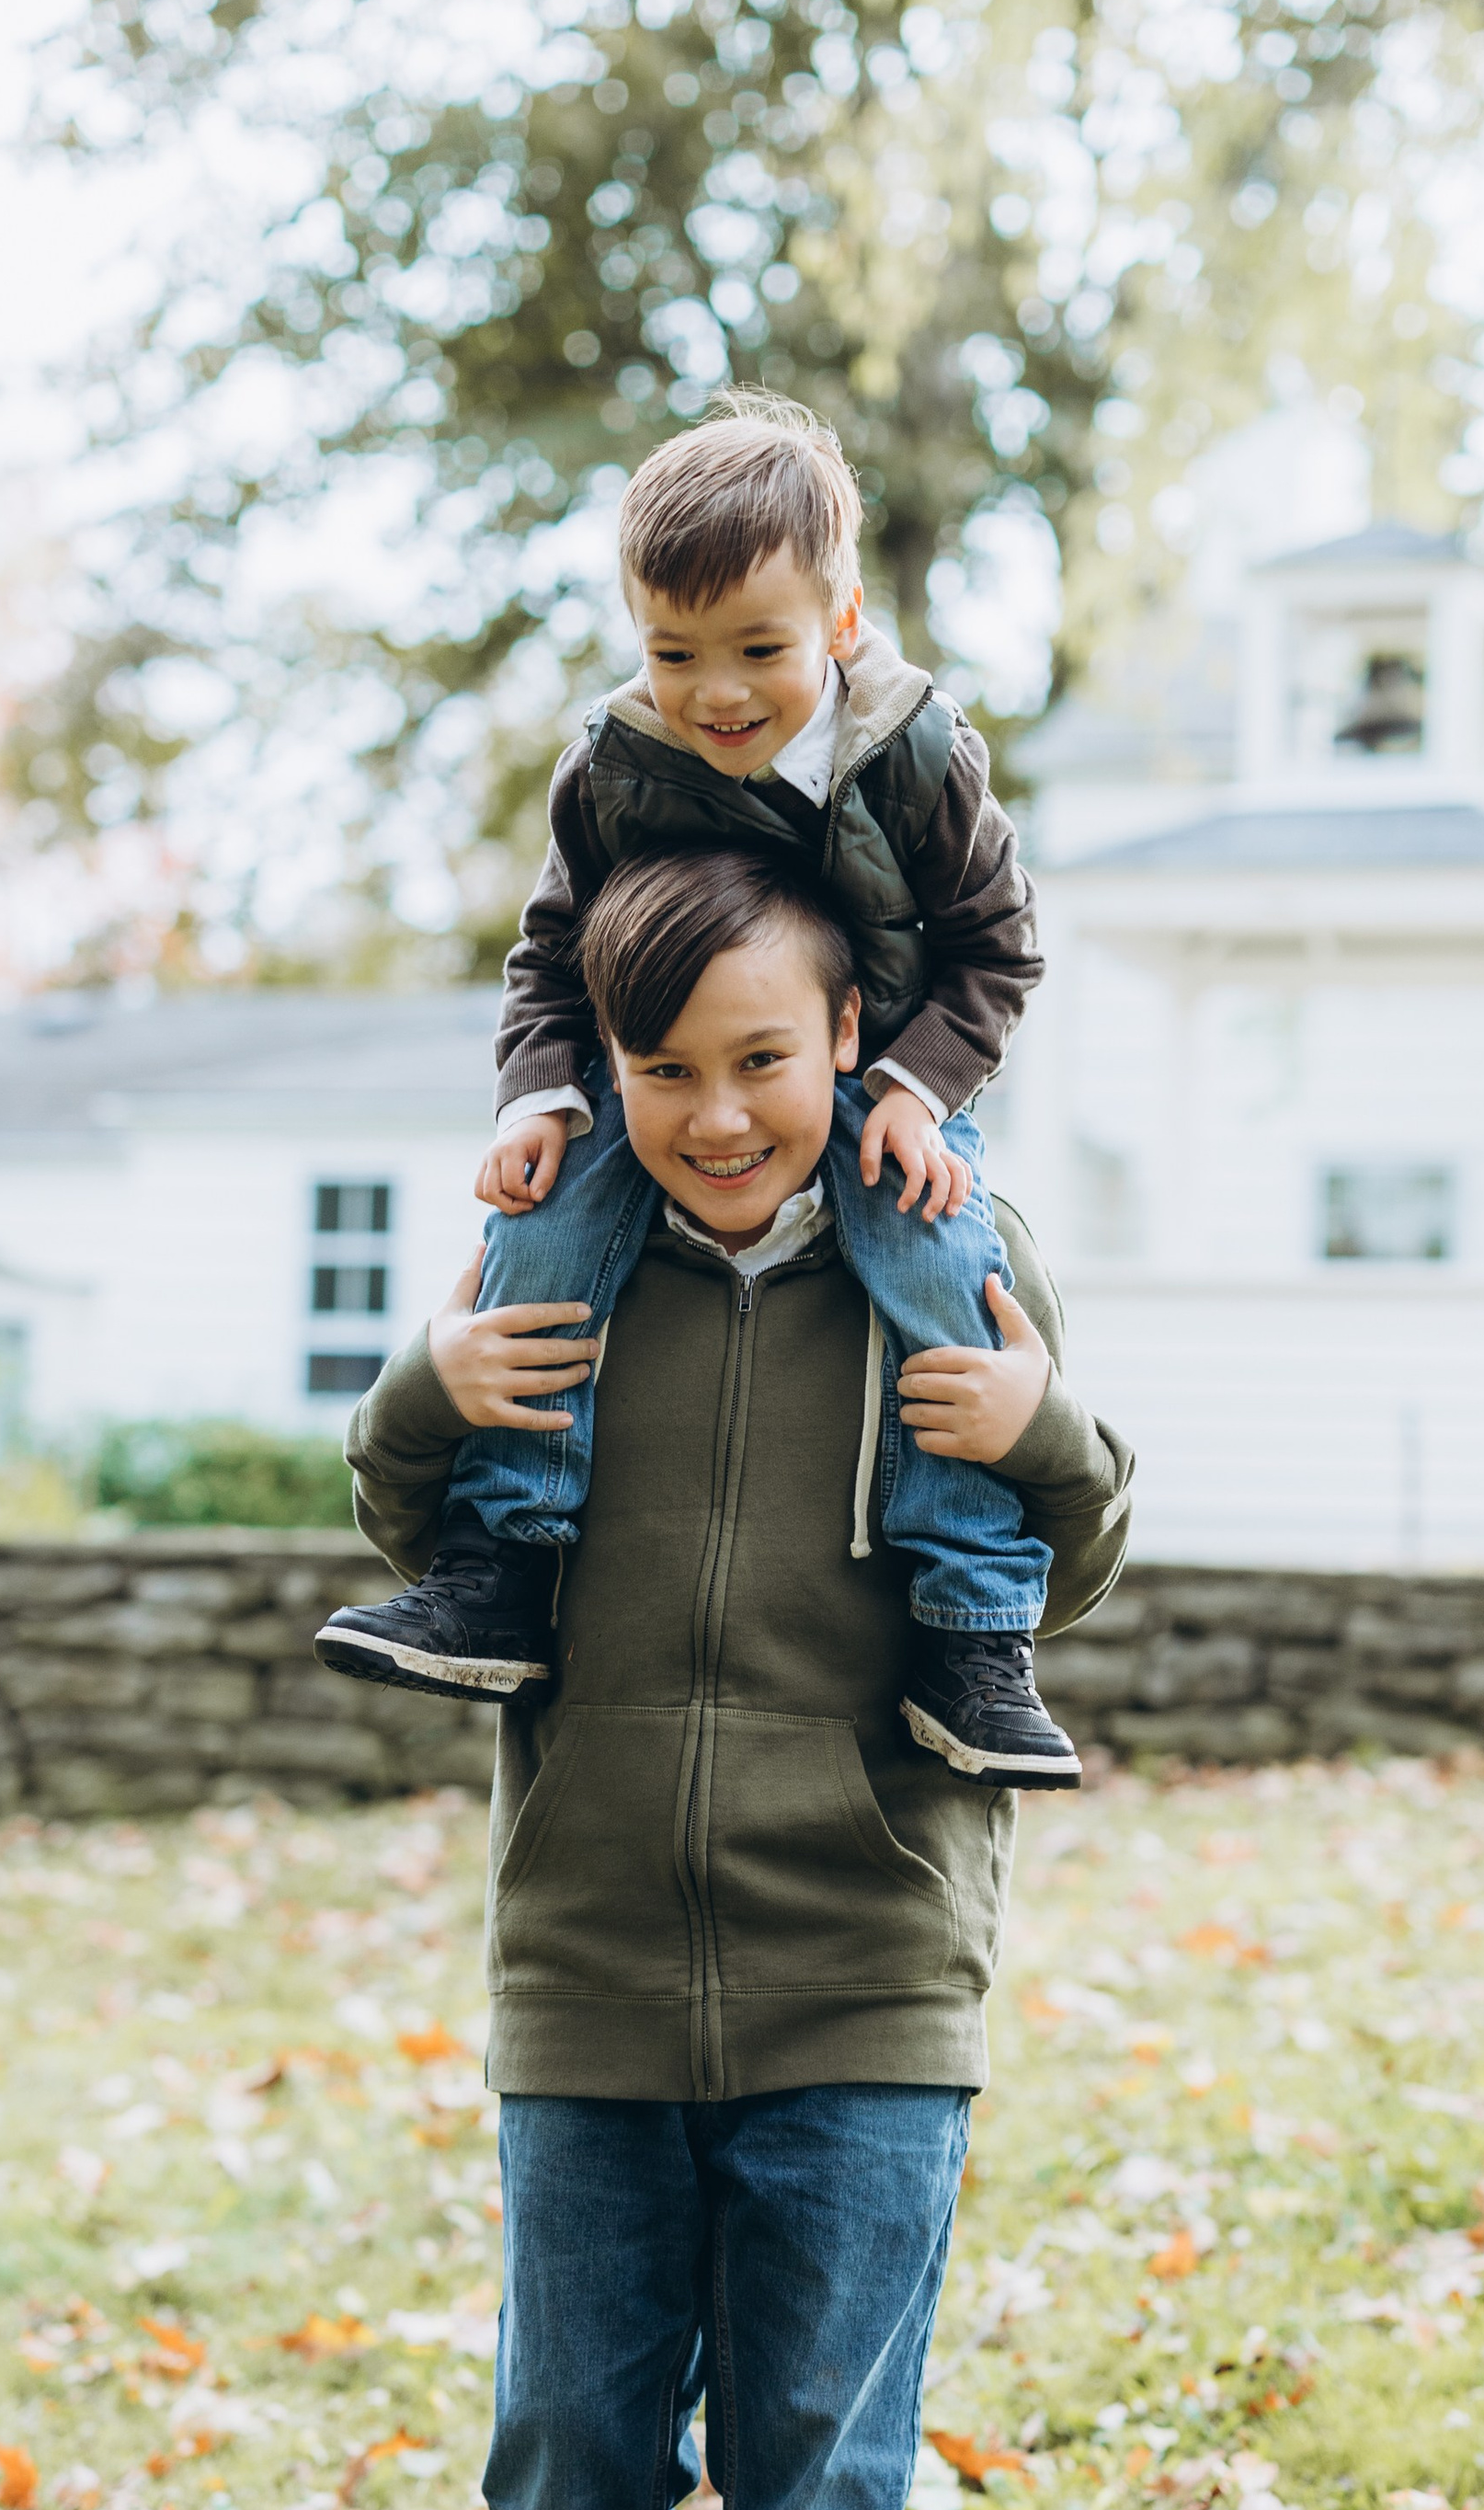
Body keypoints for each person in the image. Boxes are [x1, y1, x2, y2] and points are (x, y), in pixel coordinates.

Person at [336, 847, 1133, 2510]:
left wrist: (1038, 1434)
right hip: (585, 1960)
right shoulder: (557, 1256)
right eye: (661, 1067)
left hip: (870, 1960)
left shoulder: (939, 1245)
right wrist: (426, 1385)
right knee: (570, 2470)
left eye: (759, 1061)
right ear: (600, 1063)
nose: (712, 1113)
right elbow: (420, 1521)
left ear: (847, 1046)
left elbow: (1075, 1542)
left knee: (813, 2491)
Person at [315, 391, 1080, 1790]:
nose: (717, 693)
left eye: (759, 651)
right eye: (675, 652)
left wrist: (919, 1083)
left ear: (840, 625)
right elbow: (550, 952)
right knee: (537, 1236)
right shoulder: (615, 767)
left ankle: (972, 1626)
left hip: (873, 1073)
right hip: (658, 1074)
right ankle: (501, 1563)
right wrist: (536, 1098)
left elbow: (997, 945)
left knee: (937, 1257)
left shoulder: (915, 754)